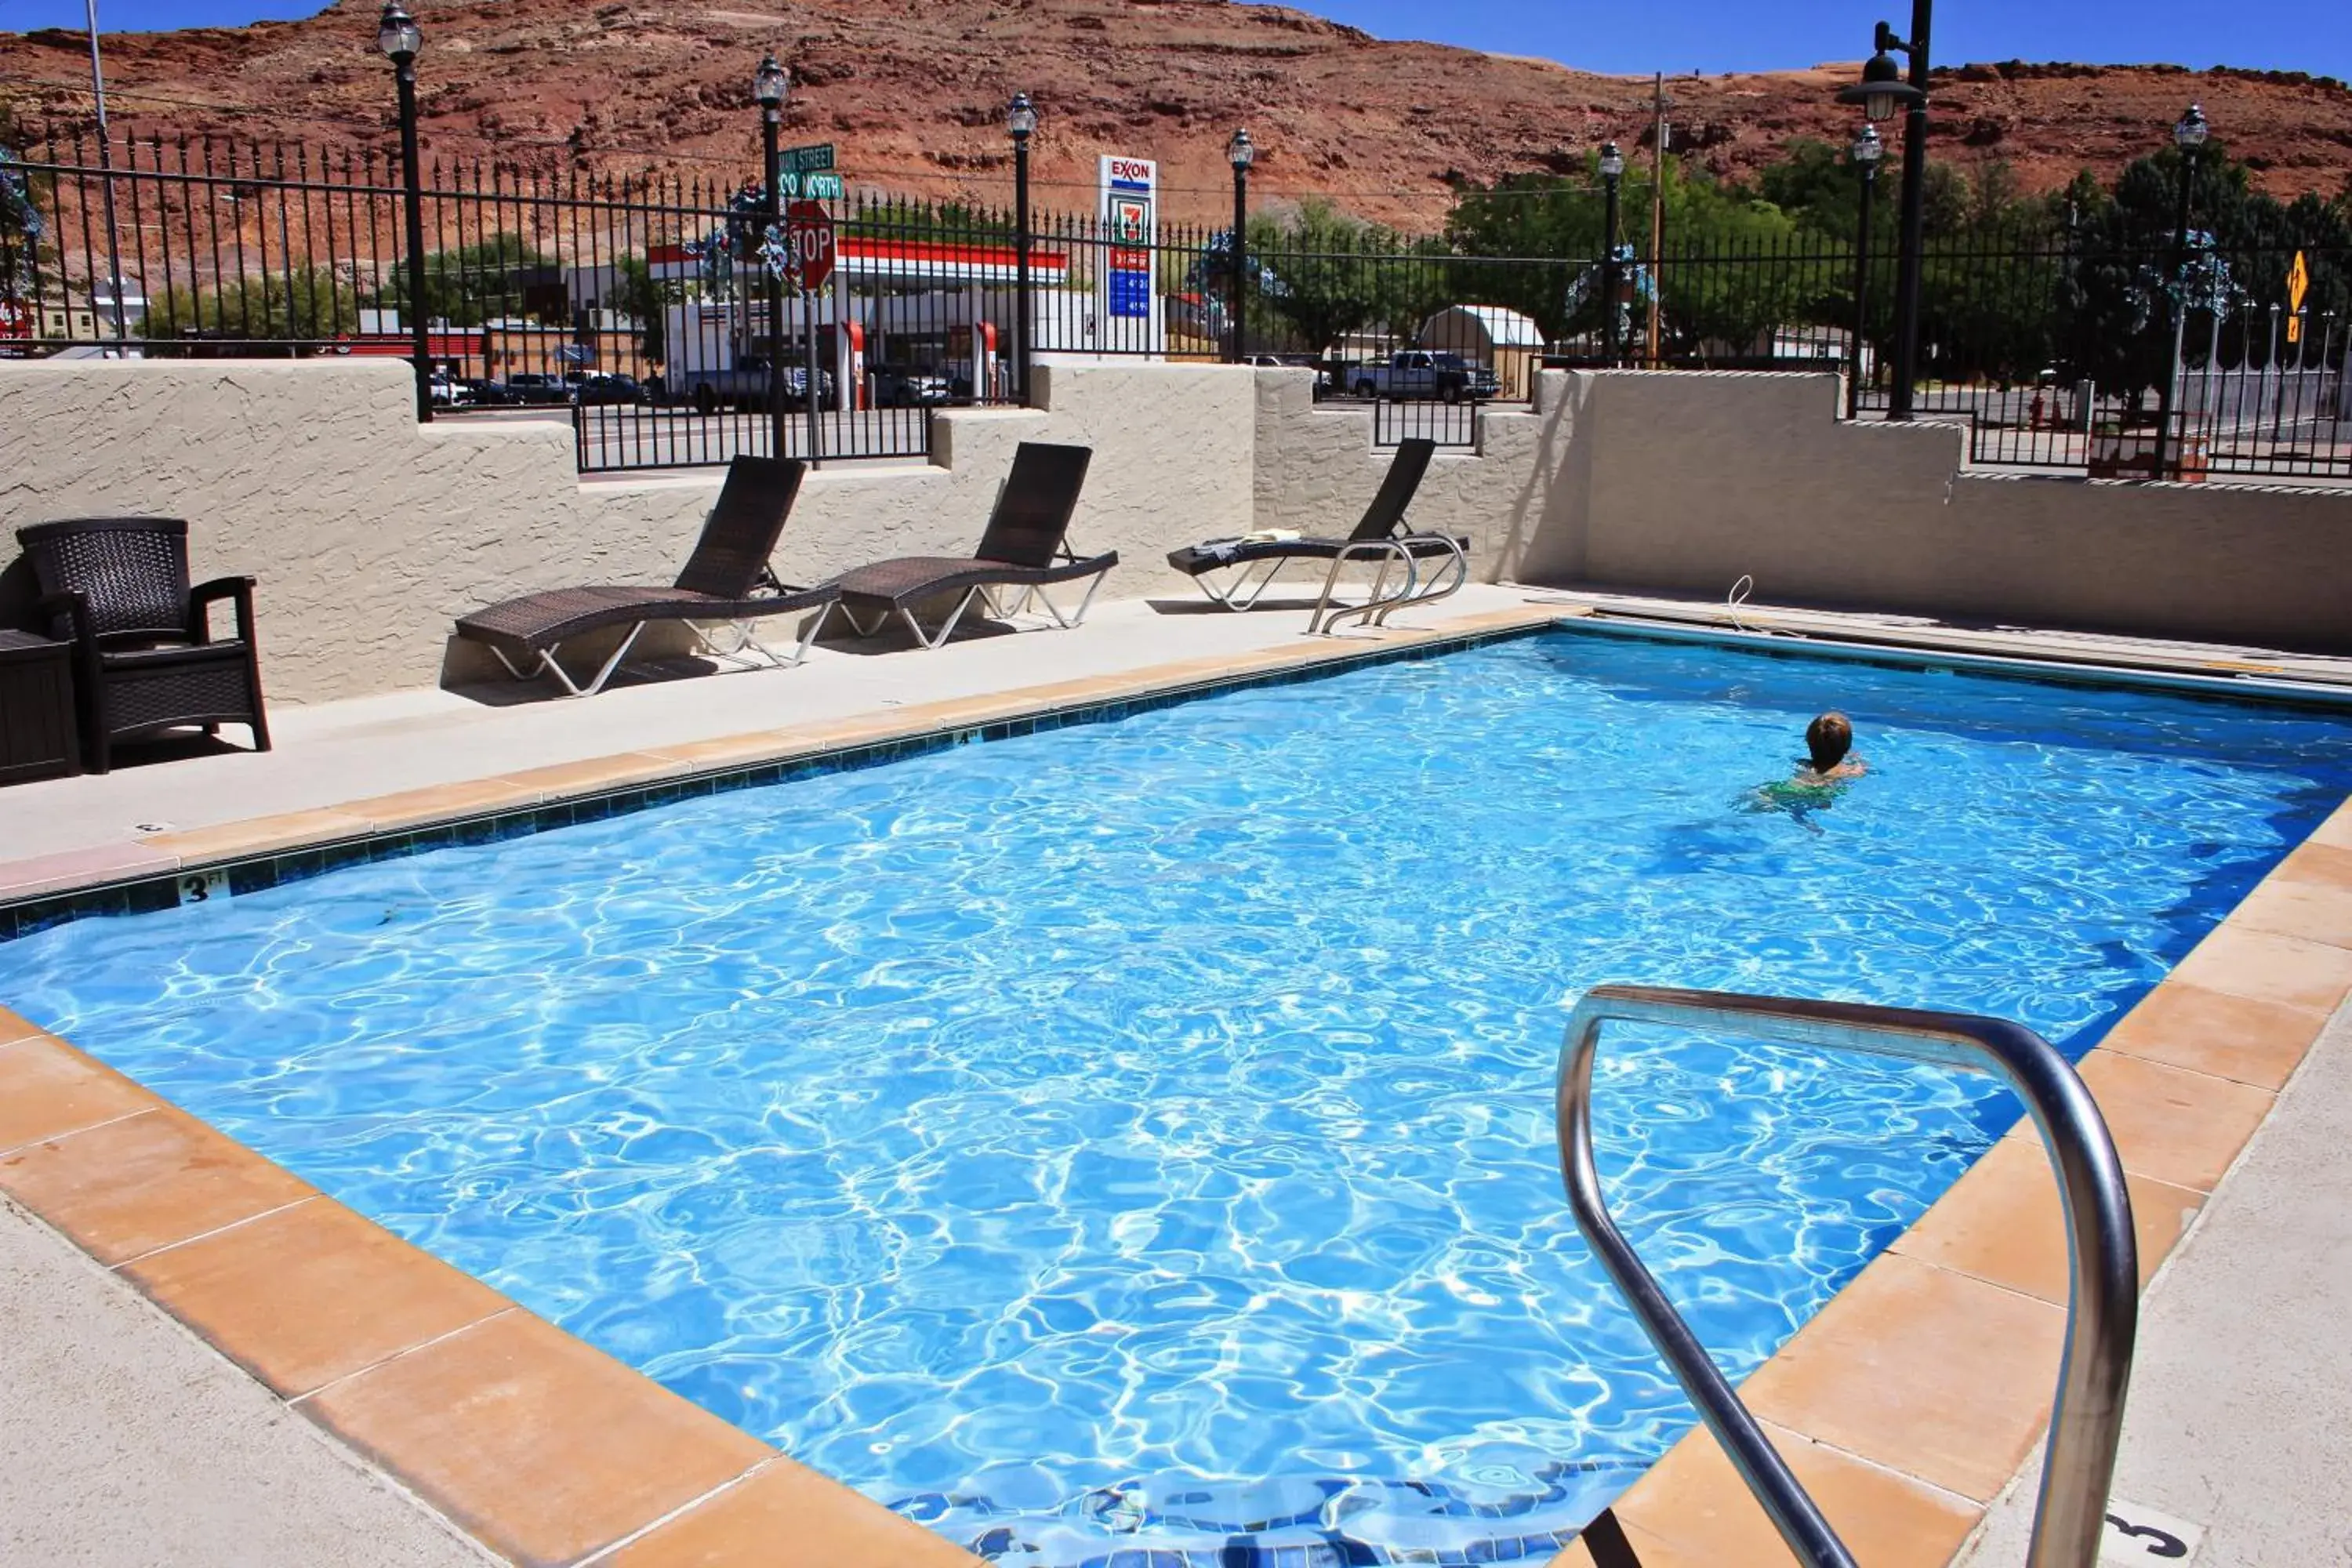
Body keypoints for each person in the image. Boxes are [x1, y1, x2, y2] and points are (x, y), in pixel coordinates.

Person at [1745, 712, 1866, 831]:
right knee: (1808, 807)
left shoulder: (1803, 763)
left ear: (1808, 742)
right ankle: (1805, 822)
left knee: (1760, 797)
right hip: (1821, 792)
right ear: (1847, 746)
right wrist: (1856, 759)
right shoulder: (1850, 770)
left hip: (1792, 788)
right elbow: (1861, 770)